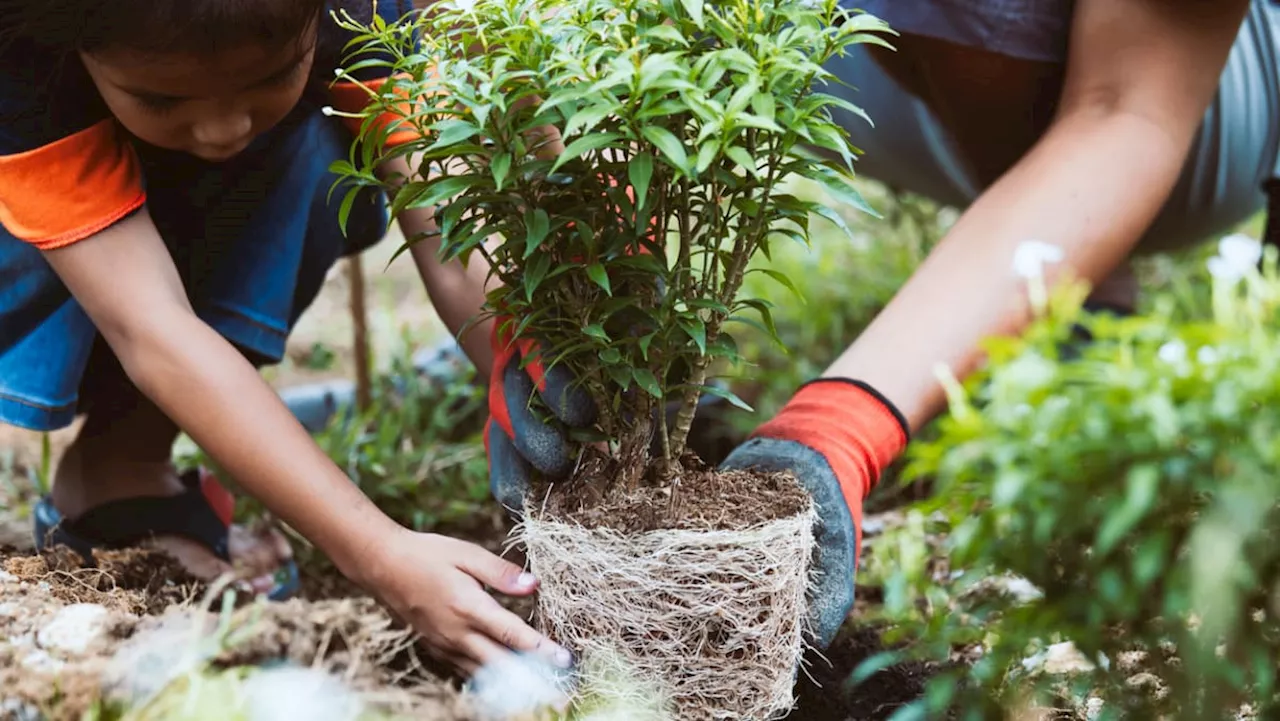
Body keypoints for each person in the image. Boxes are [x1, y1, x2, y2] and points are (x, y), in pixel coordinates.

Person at [486, 0, 1268, 647]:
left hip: (1176, 100)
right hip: (866, 55)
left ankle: (1076, 284)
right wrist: (593, 245)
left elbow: (1126, 106)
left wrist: (844, 423)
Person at [0, 0, 572, 673]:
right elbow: (153, 330)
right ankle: (120, 475)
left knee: (316, 147)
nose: (223, 126)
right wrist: (375, 549)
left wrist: (527, 358)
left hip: (156, 235)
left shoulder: (357, 15)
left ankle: (122, 463)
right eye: (159, 97)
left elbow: (447, 226)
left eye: (269, 78)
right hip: (43, 247)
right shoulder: (24, 52)